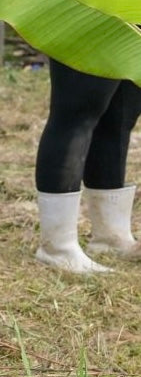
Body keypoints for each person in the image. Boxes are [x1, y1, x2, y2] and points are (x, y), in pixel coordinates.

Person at [34, 58, 141, 273]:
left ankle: (110, 238)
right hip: (99, 26)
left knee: (119, 118)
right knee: (78, 112)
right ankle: (58, 249)